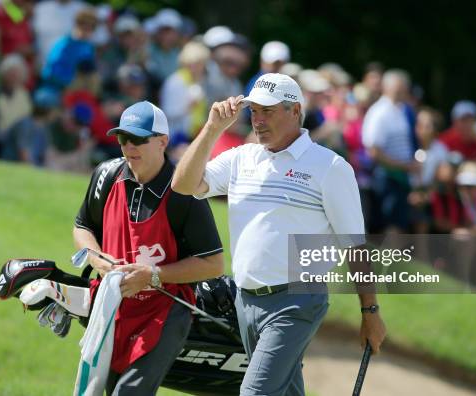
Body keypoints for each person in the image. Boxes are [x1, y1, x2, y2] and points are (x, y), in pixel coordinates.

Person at [171, 73, 386, 395]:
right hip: (245, 299)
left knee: (254, 392)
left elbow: (354, 245)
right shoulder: (242, 158)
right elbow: (183, 185)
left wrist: (370, 311)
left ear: (295, 110)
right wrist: (212, 128)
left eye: (268, 111)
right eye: (253, 111)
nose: (258, 120)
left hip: (296, 301)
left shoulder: (329, 167)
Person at [73, 100, 224, 395]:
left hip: (164, 311)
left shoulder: (184, 191)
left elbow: (213, 264)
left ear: (162, 142)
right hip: (112, 307)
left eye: (139, 139)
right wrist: (96, 257)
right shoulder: (106, 175)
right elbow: (82, 227)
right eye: (123, 139)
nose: (129, 147)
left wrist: (152, 275)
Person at [362, 69, 417, 232]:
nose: (402, 92)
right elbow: (373, 151)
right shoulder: (379, 112)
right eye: (399, 88)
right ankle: (389, 257)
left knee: (398, 222)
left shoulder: (402, 110)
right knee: (390, 223)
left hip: (400, 175)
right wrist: (404, 166)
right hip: (386, 176)